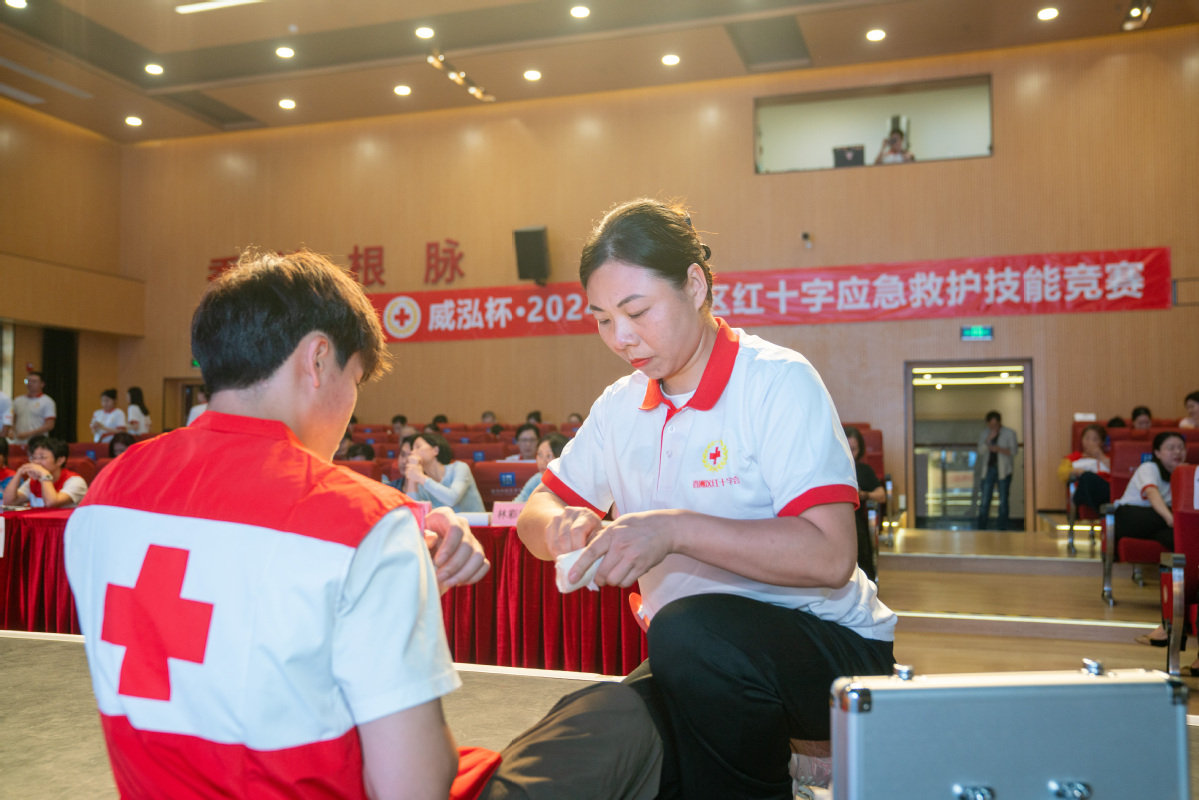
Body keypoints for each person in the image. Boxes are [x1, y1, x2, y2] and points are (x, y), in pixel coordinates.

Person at [63, 249, 661, 800]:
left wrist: (396, 583)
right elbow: (415, 787)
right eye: (354, 381)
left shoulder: (103, 497)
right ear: (318, 358)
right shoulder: (361, 520)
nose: (350, 413)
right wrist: (393, 568)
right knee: (618, 715)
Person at [517, 199, 895, 798]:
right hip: (699, 655)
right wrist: (559, 524)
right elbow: (536, 507)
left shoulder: (776, 382)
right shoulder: (621, 405)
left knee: (689, 632)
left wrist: (674, 530)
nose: (620, 338)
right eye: (601, 319)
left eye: (636, 312)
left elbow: (829, 556)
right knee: (578, 740)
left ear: (694, 285)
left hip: (825, 651)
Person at [404, 430, 485, 513]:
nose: (412, 452)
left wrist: (420, 477)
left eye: (417, 447)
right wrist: (412, 478)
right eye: (412, 449)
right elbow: (413, 512)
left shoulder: (459, 468)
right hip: (442, 526)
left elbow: (452, 499)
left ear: (435, 450)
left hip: (475, 524)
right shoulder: (420, 482)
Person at [845, 426, 885, 581]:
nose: (849, 454)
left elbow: (881, 495)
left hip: (855, 521)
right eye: (846, 448)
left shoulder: (863, 470)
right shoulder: (829, 469)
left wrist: (863, 495)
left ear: (860, 450)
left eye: (853, 449)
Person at [3, 436, 87, 508]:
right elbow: (9, 502)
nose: (36, 462)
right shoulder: (33, 481)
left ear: (60, 461)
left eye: (42, 458)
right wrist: (19, 472)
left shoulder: (75, 481)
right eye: (34, 458)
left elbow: (51, 503)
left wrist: (45, 475)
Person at [976, 410, 1018, 530]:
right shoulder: (985, 434)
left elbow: (1014, 451)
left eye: (995, 424)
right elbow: (980, 451)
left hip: (1004, 471)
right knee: (984, 501)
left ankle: (1002, 528)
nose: (993, 427)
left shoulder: (1009, 433)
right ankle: (981, 528)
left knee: (1003, 501)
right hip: (988, 470)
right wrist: (988, 439)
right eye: (990, 425)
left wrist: (999, 449)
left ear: (1000, 423)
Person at [1058, 423, 1111, 511]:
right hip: (1085, 491)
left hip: (1104, 489)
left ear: (1102, 443)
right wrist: (1077, 471)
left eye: (1095, 439)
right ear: (1082, 440)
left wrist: (1101, 457)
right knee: (1087, 476)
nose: (1090, 442)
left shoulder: (1108, 458)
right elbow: (1062, 474)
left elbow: (1116, 471)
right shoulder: (1073, 458)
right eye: (1087, 438)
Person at [515, 432, 569, 503]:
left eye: (549, 456)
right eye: (539, 454)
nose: (542, 462)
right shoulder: (538, 478)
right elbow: (517, 503)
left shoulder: (572, 482)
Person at [10, 371, 56, 444]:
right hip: (19, 441)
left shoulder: (47, 401)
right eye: (28, 381)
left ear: (42, 384)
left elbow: (49, 425)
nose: (30, 383)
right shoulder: (17, 400)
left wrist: (28, 434)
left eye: (34, 381)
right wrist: (11, 431)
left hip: (38, 442)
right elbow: (13, 419)